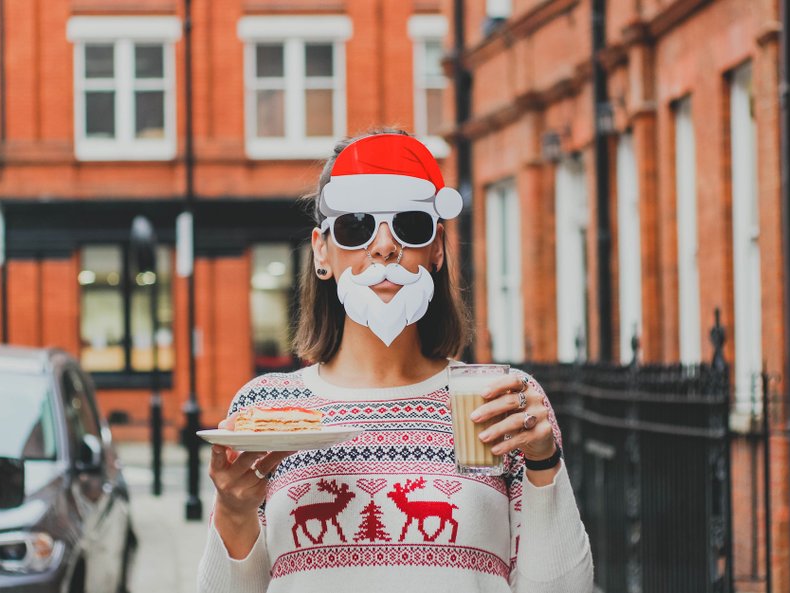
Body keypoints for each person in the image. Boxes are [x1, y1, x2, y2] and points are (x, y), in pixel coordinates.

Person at [198, 130, 593, 592]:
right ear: (321, 251)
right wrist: (233, 508)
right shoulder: (271, 410)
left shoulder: (500, 402)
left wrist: (543, 463)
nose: (384, 247)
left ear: (438, 248)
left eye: (409, 225)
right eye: (356, 227)